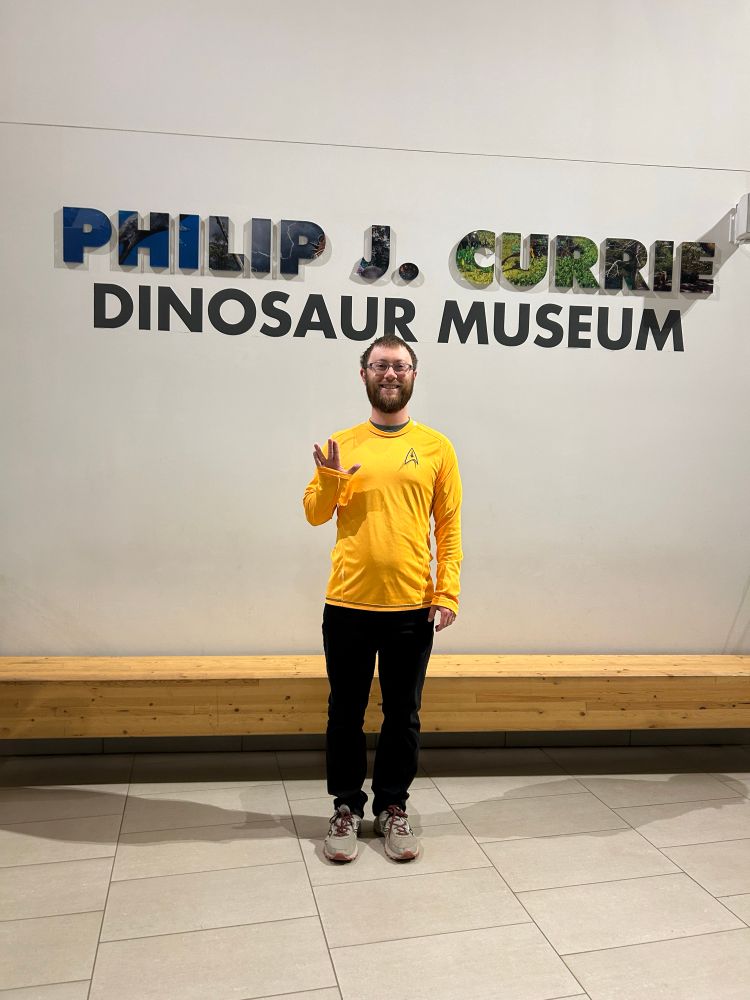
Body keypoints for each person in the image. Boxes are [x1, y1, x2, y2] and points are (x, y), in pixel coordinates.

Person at [303, 334, 462, 863]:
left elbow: (449, 527)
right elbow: (314, 513)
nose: (390, 373)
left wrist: (447, 590)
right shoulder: (341, 443)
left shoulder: (437, 447)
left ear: (414, 375)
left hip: (411, 608)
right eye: (380, 366)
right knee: (344, 713)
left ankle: (393, 805)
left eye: (399, 366)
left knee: (403, 715)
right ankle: (346, 807)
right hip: (348, 604)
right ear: (364, 374)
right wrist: (330, 480)